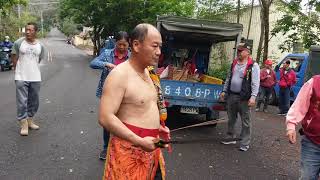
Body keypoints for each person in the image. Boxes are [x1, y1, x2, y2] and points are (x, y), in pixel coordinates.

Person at [99, 23, 169, 180]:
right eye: (154, 46)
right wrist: (138, 140)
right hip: (129, 153)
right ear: (136, 45)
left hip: (153, 149)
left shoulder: (150, 74)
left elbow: (144, 108)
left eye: (160, 47)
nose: (159, 52)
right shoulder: (119, 75)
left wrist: (158, 127)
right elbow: (105, 117)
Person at [89, 31, 130, 160]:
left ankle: (122, 148)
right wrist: (106, 64)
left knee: (124, 121)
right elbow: (93, 63)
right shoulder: (107, 54)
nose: (122, 47)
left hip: (126, 94)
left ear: (129, 44)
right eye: (119, 44)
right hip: (109, 94)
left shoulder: (132, 56)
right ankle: (106, 148)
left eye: (125, 45)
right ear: (115, 43)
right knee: (108, 122)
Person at [219, 42, 260, 152]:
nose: (238, 53)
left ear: (248, 52)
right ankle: (230, 137)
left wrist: (253, 97)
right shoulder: (234, 63)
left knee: (245, 121)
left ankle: (244, 143)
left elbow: (255, 83)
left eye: (241, 51)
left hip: (244, 98)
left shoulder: (253, 66)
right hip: (232, 95)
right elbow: (229, 78)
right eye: (238, 50)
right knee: (231, 119)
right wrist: (224, 91)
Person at [11, 22, 46, 136]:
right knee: (22, 101)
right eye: (26, 30)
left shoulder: (40, 46)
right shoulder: (18, 43)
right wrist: (17, 70)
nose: (27, 32)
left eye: (30, 30)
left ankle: (30, 120)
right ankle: (23, 123)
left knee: (34, 101)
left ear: (36, 32)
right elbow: (14, 56)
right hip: (21, 76)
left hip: (35, 77)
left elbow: (39, 59)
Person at [286, 75, 320, 180]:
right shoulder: (315, 82)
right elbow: (299, 104)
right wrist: (291, 125)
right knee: (307, 177)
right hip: (312, 142)